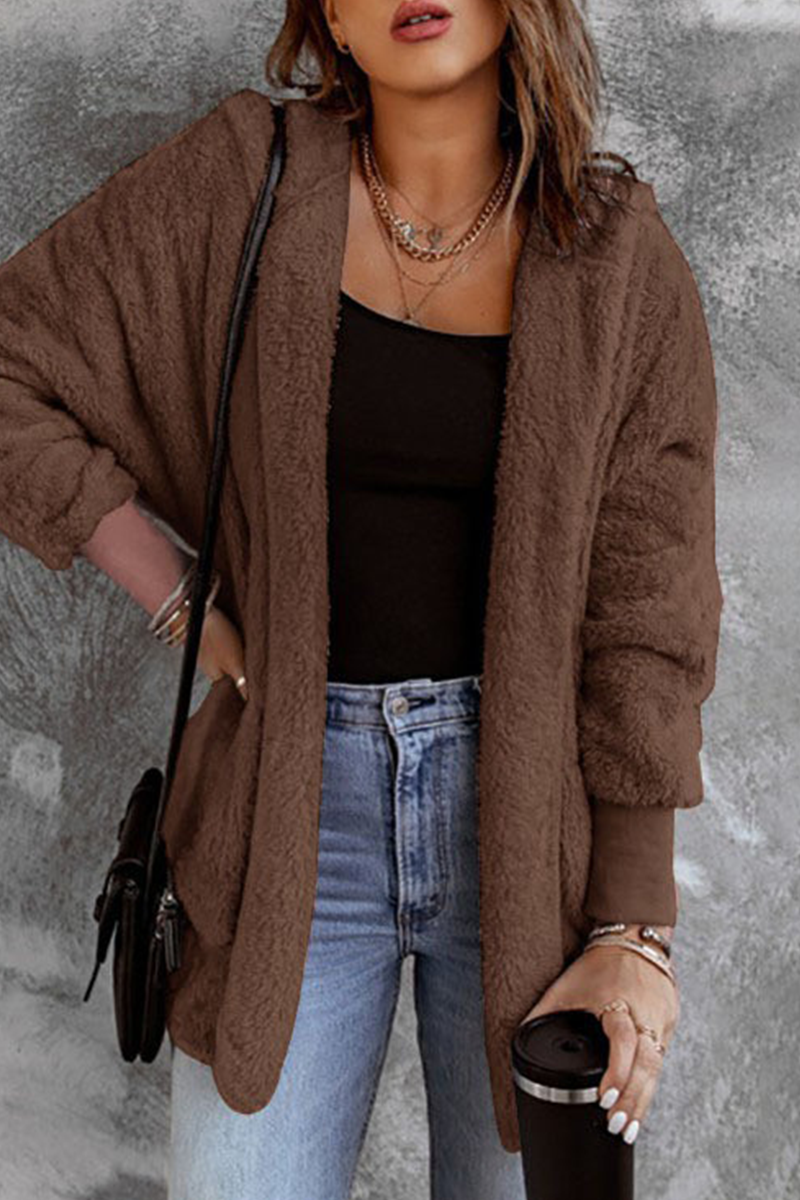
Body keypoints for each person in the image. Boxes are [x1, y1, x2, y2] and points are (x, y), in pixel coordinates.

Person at [0, 1, 723, 1196]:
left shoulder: (612, 255)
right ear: (330, 15)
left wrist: (628, 931)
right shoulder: (241, 184)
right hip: (287, 811)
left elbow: (650, 603)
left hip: (530, 838)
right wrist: (175, 591)